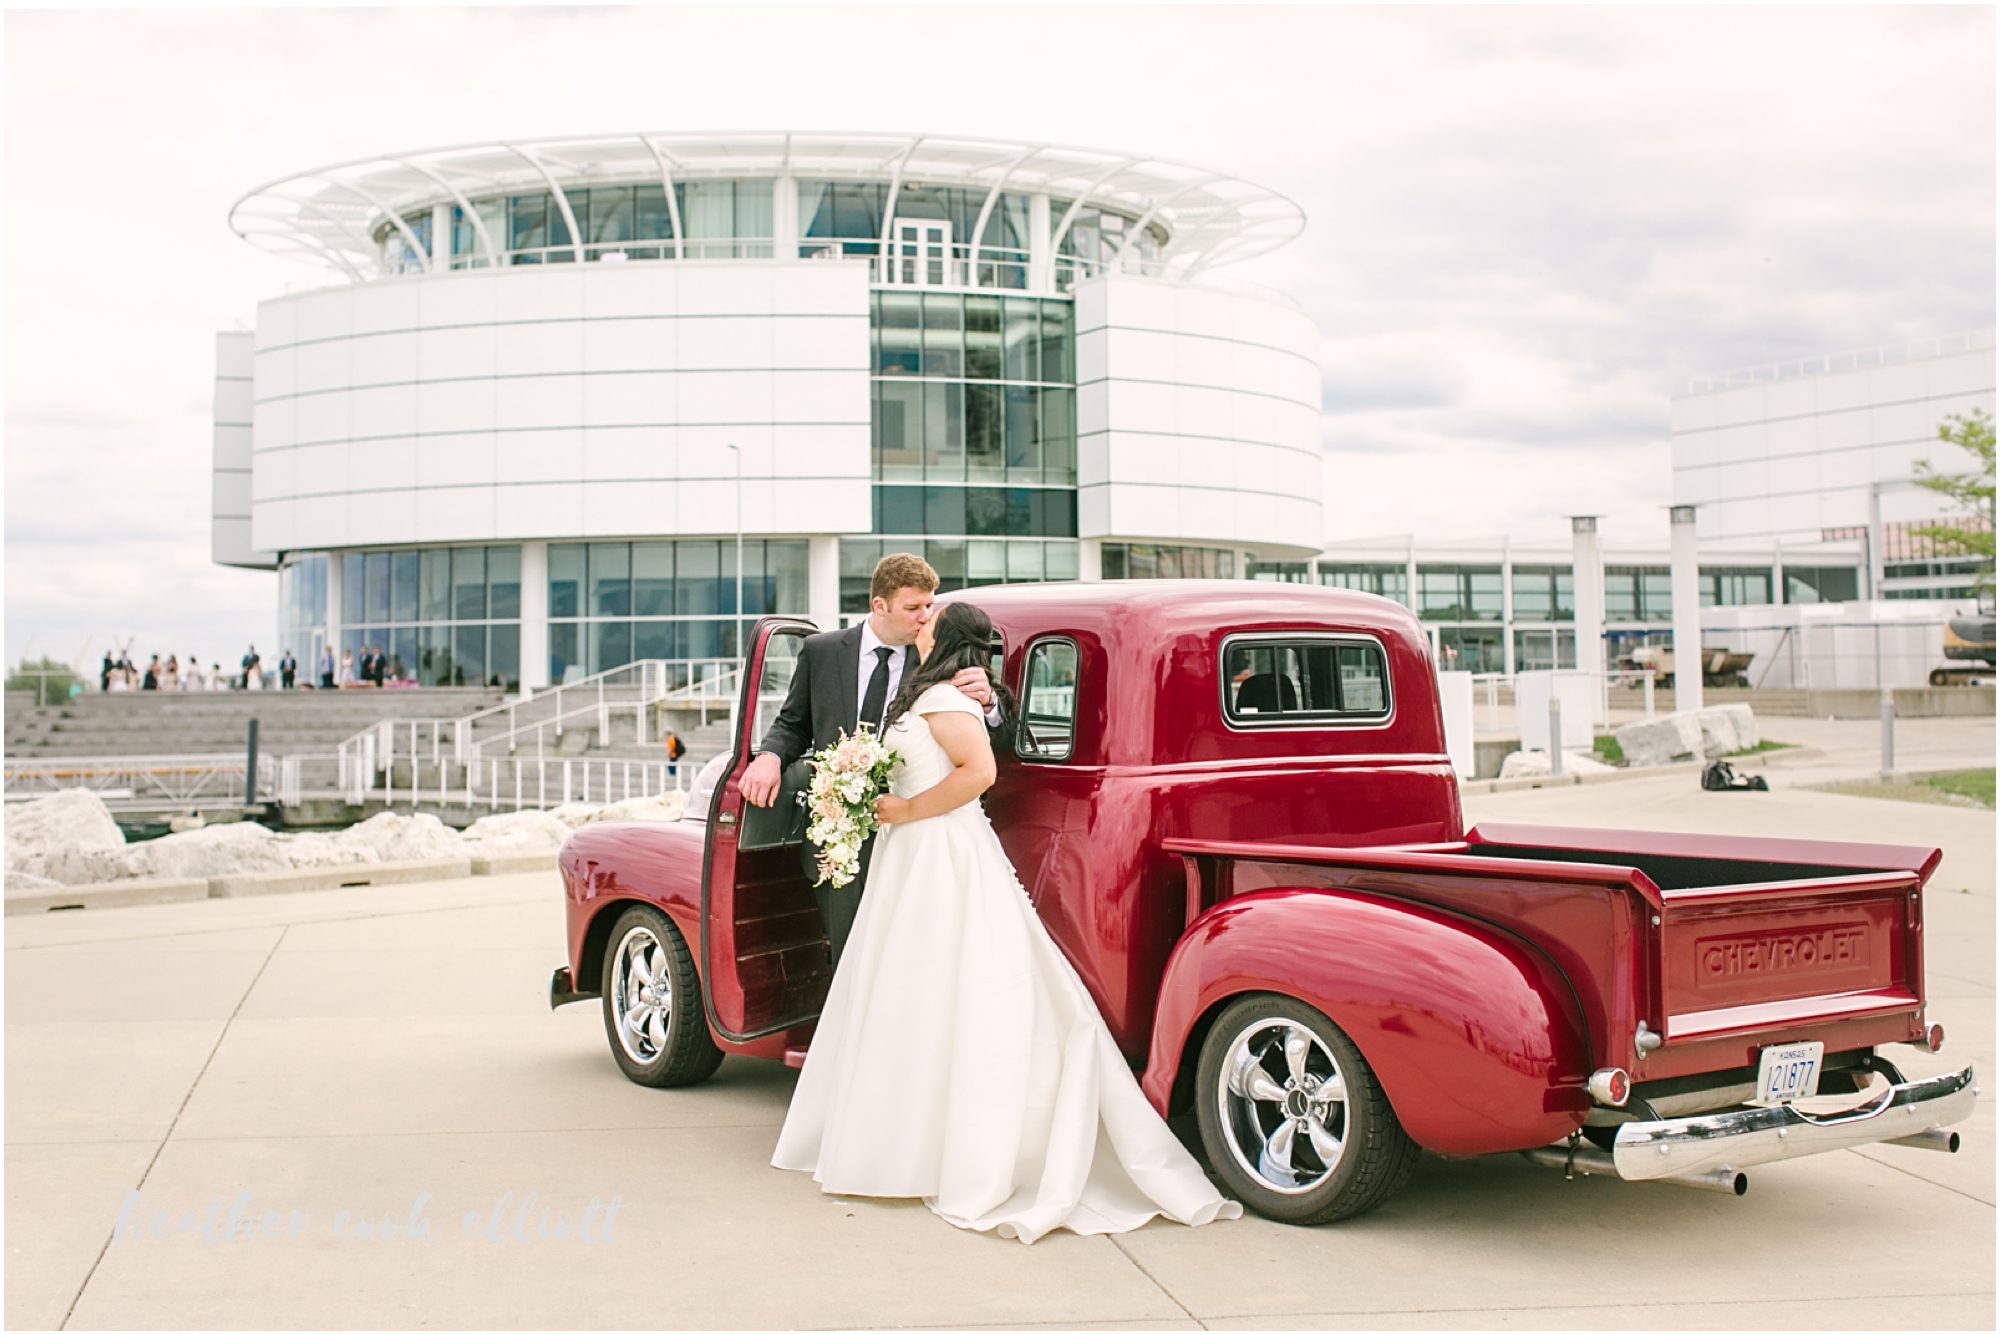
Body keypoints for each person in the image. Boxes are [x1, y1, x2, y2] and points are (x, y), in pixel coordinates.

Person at [772, 600, 1242, 1245]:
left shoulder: (949, 697)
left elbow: (982, 771)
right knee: (907, 986)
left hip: (938, 848)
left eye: (930, 619)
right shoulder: (928, 690)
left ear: (947, 639)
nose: (920, 623)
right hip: (913, 853)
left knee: (945, 980)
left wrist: (907, 809)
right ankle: (902, 1133)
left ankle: (941, 1145)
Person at [743, 553, 1001, 969]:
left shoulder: (938, 655)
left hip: (915, 828)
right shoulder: (822, 651)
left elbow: (987, 741)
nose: (925, 617)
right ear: (879, 605)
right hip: (838, 832)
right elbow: (793, 723)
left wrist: (988, 704)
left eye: (929, 605)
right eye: (913, 607)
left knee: (909, 955)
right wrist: (769, 757)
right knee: (848, 953)